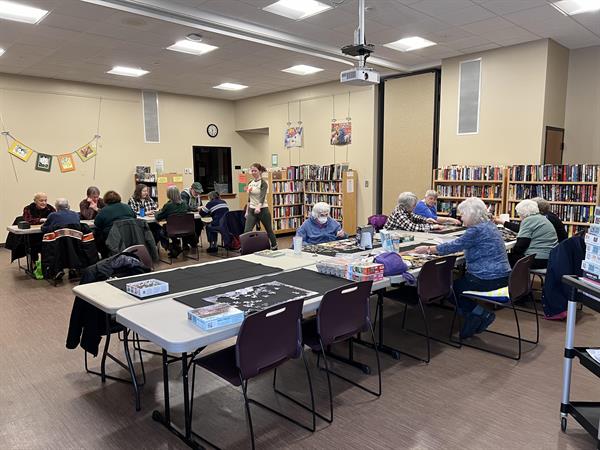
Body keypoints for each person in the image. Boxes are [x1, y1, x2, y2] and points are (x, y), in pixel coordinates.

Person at [413, 197, 511, 339]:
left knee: (450, 290)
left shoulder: (475, 231)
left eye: (463, 214)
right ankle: (472, 316)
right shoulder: (489, 225)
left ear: (471, 214)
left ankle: (480, 314)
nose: (461, 217)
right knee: (457, 285)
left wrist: (428, 249)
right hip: (502, 276)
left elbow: (454, 246)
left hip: (486, 278)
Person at [508, 199, 558, 269]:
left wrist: (513, 251)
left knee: (504, 258)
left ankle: (510, 279)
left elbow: (521, 245)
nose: (520, 218)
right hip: (550, 258)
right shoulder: (542, 218)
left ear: (523, 213)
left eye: (519, 215)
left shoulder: (528, 220)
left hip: (537, 259)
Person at [495, 197, 568, 243]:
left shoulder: (542, 219)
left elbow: (521, 229)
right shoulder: (549, 216)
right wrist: (502, 222)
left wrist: (502, 222)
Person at [244, 162, 278, 250]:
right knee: (247, 231)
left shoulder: (263, 183)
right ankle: (245, 247)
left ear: (260, 171)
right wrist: (247, 211)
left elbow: (262, 196)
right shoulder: (250, 183)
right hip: (252, 210)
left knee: (268, 230)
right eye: (252, 171)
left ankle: (274, 245)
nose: (253, 173)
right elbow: (249, 198)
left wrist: (259, 207)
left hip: (263, 210)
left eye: (255, 171)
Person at [94, 191, 136, 256]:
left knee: (96, 233)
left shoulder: (104, 211)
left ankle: (102, 256)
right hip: (130, 237)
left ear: (106, 200)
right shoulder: (128, 207)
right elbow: (134, 218)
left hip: (112, 240)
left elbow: (97, 223)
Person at [155, 186, 191, 258]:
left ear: (169, 195)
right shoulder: (184, 204)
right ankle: (175, 245)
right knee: (172, 229)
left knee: (160, 232)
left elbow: (158, 217)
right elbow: (188, 210)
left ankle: (172, 247)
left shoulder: (168, 206)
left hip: (171, 229)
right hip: (185, 228)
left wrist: (156, 212)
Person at [181, 181, 205, 247]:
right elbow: (185, 207)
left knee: (200, 225)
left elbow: (200, 205)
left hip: (195, 216)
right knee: (187, 226)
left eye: (198, 192)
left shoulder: (198, 196)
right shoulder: (184, 194)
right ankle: (185, 243)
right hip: (185, 217)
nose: (197, 194)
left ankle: (194, 241)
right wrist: (197, 208)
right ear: (191, 189)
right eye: (196, 192)